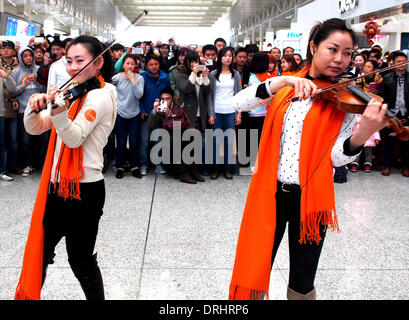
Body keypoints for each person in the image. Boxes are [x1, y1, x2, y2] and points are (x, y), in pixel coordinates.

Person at [228, 18, 387, 300]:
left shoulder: (346, 99)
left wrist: (361, 135)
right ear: (314, 47)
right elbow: (237, 103)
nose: (340, 59)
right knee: (254, 267)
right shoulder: (287, 87)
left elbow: (336, 159)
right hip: (270, 194)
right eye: (333, 49)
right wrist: (285, 80)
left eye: (348, 53)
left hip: (311, 200)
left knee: (302, 281)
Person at [15, 35, 116, 300]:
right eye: (69, 61)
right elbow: (35, 127)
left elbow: (74, 137)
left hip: (86, 190)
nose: (72, 68)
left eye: (80, 61)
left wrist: (59, 110)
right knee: (41, 254)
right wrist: (35, 107)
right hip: (57, 187)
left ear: (98, 63)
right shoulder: (71, 92)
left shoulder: (101, 97)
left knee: (81, 261)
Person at [175, 51, 211, 183]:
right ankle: (183, 172)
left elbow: (208, 92)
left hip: (199, 114)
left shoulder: (201, 74)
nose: (194, 64)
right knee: (185, 144)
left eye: (196, 61)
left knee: (196, 144)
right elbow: (185, 88)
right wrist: (193, 74)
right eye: (191, 61)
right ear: (187, 62)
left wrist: (206, 77)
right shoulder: (180, 74)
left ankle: (194, 170)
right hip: (186, 114)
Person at [10, 47, 46, 177]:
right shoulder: (16, 72)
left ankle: (42, 164)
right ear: (21, 58)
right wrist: (23, 85)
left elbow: (45, 89)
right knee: (26, 139)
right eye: (25, 56)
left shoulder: (39, 70)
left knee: (43, 138)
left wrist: (37, 83)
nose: (28, 58)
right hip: (23, 110)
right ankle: (27, 164)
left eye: (30, 55)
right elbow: (13, 91)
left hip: (40, 110)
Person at [208, 47, 242, 180]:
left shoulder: (236, 74)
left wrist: (239, 114)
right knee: (216, 141)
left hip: (230, 112)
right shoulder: (213, 74)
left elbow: (239, 95)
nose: (228, 58)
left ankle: (228, 168)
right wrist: (211, 113)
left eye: (230, 55)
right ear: (219, 57)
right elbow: (209, 96)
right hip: (217, 111)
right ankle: (215, 168)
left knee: (229, 141)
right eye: (225, 55)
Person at [112, 54, 144, 179]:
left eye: (132, 64)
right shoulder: (116, 78)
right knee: (120, 142)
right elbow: (111, 93)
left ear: (136, 65)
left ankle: (134, 167)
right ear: (123, 65)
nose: (130, 66)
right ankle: (119, 166)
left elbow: (139, 95)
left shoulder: (139, 78)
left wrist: (133, 80)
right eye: (127, 63)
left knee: (134, 142)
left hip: (134, 114)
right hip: (120, 114)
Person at [139, 54, 172, 175]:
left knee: (159, 140)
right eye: (151, 65)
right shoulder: (142, 77)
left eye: (156, 64)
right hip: (147, 114)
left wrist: (167, 107)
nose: (154, 67)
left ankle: (158, 163)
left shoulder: (165, 77)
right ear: (146, 65)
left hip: (161, 114)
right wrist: (142, 110)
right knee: (145, 140)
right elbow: (139, 97)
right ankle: (143, 164)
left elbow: (169, 94)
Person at [378, 51, 409, 177]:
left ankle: (406, 165)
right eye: (399, 61)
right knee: (389, 140)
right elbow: (381, 96)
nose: (402, 64)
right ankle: (386, 164)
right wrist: (386, 113)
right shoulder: (387, 78)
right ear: (393, 63)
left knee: (407, 141)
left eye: (404, 61)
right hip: (391, 114)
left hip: (406, 114)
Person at [247, 52, 272, 173]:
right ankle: (254, 164)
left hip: (265, 113)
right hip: (256, 112)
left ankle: (261, 163)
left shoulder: (267, 76)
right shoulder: (254, 78)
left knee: (262, 140)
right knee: (255, 139)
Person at [0, 40, 20, 175]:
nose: (6, 51)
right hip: (2, 106)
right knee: (1, 140)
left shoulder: (19, 66)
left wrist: (14, 98)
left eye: (9, 49)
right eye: (3, 48)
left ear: (14, 51)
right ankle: (3, 167)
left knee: (12, 138)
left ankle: (12, 165)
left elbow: (14, 88)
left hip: (12, 107)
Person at [0, 69, 17, 181]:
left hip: (0, 113)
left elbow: (13, 89)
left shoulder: (1, 73)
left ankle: (2, 170)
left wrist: (7, 77)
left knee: (1, 143)